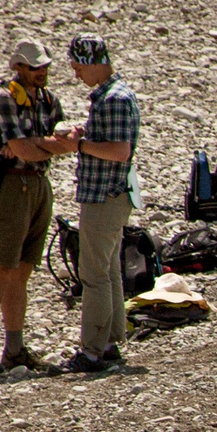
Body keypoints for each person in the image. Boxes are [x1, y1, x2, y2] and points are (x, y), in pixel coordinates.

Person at [0, 40, 72, 373]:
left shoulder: (49, 101)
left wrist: (35, 146)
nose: (41, 72)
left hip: (39, 184)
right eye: (34, 67)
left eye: (44, 67)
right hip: (9, 186)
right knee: (0, 268)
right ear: (19, 67)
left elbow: (59, 145)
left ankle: (14, 349)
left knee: (24, 269)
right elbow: (25, 149)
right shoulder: (2, 99)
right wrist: (41, 146)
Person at [58, 35, 141, 375]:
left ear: (93, 62)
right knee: (108, 272)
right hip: (112, 196)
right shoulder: (112, 95)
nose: (77, 75)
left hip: (103, 197)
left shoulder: (114, 99)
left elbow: (119, 151)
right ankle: (108, 344)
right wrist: (86, 136)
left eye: (78, 68)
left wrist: (80, 144)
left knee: (94, 276)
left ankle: (91, 352)